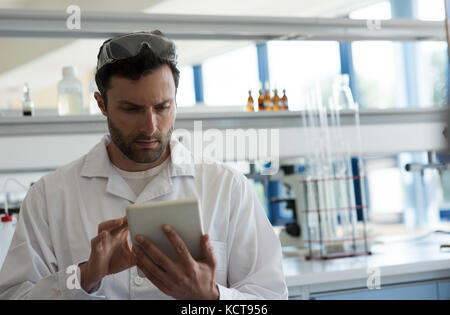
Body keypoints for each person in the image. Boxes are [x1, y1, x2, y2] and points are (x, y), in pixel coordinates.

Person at [0, 30, 288, 300]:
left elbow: (268, 297)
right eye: (131, 109)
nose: (150, 127)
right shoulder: (49, 197)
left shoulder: (227, 187)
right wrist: (84, 276)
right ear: (102, 105)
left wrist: (211, 297)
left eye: (162, 107)